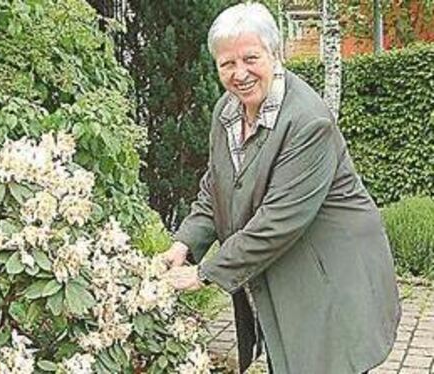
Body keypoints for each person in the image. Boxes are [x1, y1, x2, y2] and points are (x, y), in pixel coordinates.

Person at [160, 3, 400, 374]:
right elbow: (216, 186)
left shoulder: (308, 121)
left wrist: (204, 274)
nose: (240, 73)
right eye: (227, 64)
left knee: (325, 362)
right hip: (287, 272)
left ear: (275, 54)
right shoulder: (227, 111)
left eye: (250, 58)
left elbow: (278, 222)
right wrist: (185, 244)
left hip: (330, 276)